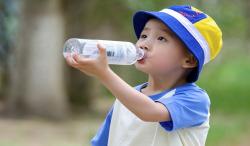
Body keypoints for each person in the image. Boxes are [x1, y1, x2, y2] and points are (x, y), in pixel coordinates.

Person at [65, 5, 222, 146]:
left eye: (161, 38)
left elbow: (150, 112)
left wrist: (104, 74)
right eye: (144, 36)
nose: (143, 44)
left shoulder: (195, 99)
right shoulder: (124, 97)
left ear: (189, 60)